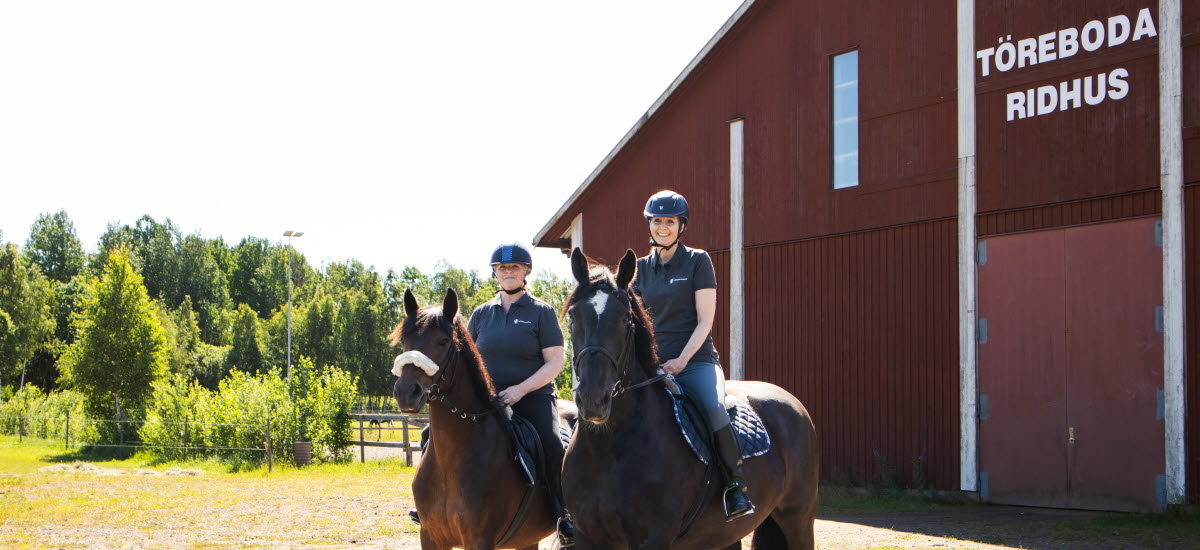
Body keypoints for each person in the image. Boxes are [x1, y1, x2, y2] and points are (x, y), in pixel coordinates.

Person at [631, 190, 755, 521]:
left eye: (669, 222)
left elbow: (705, 320)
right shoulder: (639, 269)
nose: (663, 227)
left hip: (695, 362)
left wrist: (681, 361)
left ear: (681, 225)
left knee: (715, 409)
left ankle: (735, 487)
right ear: (650, 225)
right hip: (654, 368)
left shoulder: (698, 261)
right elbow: (635, 325)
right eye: (657, 221)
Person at [468, 242, 575, 547]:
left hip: (533, 397)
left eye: (514, 267)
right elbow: (469, 359)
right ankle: (433, 505)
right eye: (502, 268)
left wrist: (520, 389)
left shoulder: (541, 311)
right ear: (495, 274)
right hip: (488, 402)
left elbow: (556, 361)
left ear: (526, 271)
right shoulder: (481, 314)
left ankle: (563, 515)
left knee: (553, 446)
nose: (508, 272)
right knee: (432, 434)